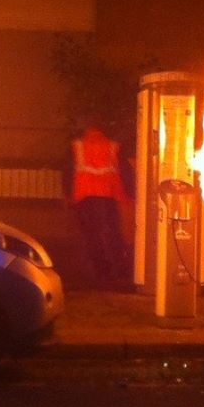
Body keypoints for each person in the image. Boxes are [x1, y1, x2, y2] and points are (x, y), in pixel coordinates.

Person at [68, 120, 131, 289]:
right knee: (113, 233)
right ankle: (120, 268)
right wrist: (129, 194)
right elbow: (125, 171)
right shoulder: (113, 146)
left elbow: (68, 172)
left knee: (92, 234)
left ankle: (101, 270)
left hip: (85, 197)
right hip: (109, 196)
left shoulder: (77, 146)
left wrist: (68, 195)